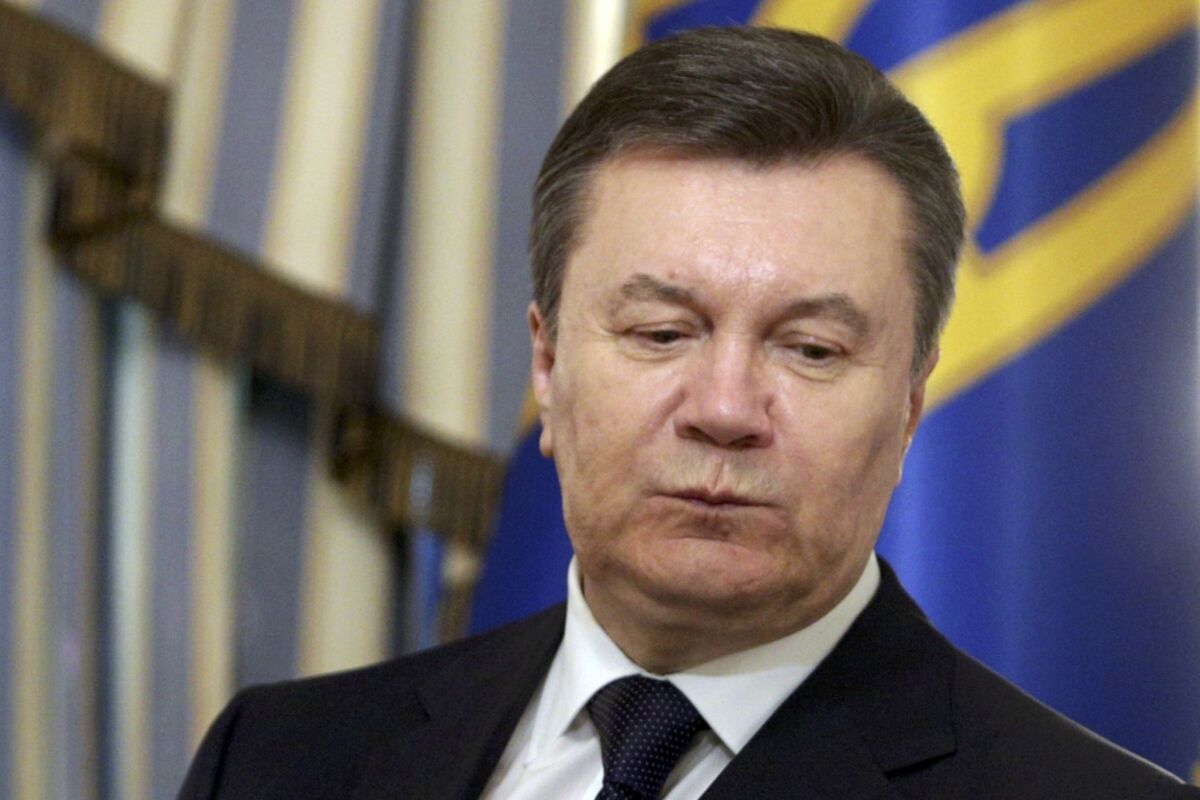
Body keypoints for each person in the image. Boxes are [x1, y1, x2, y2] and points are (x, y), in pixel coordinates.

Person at [179, 27, 1198, 799]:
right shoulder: (277, 759)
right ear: (547, 364)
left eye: (811, 349)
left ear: (908, 408)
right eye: (662, 332)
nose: (724, 409)